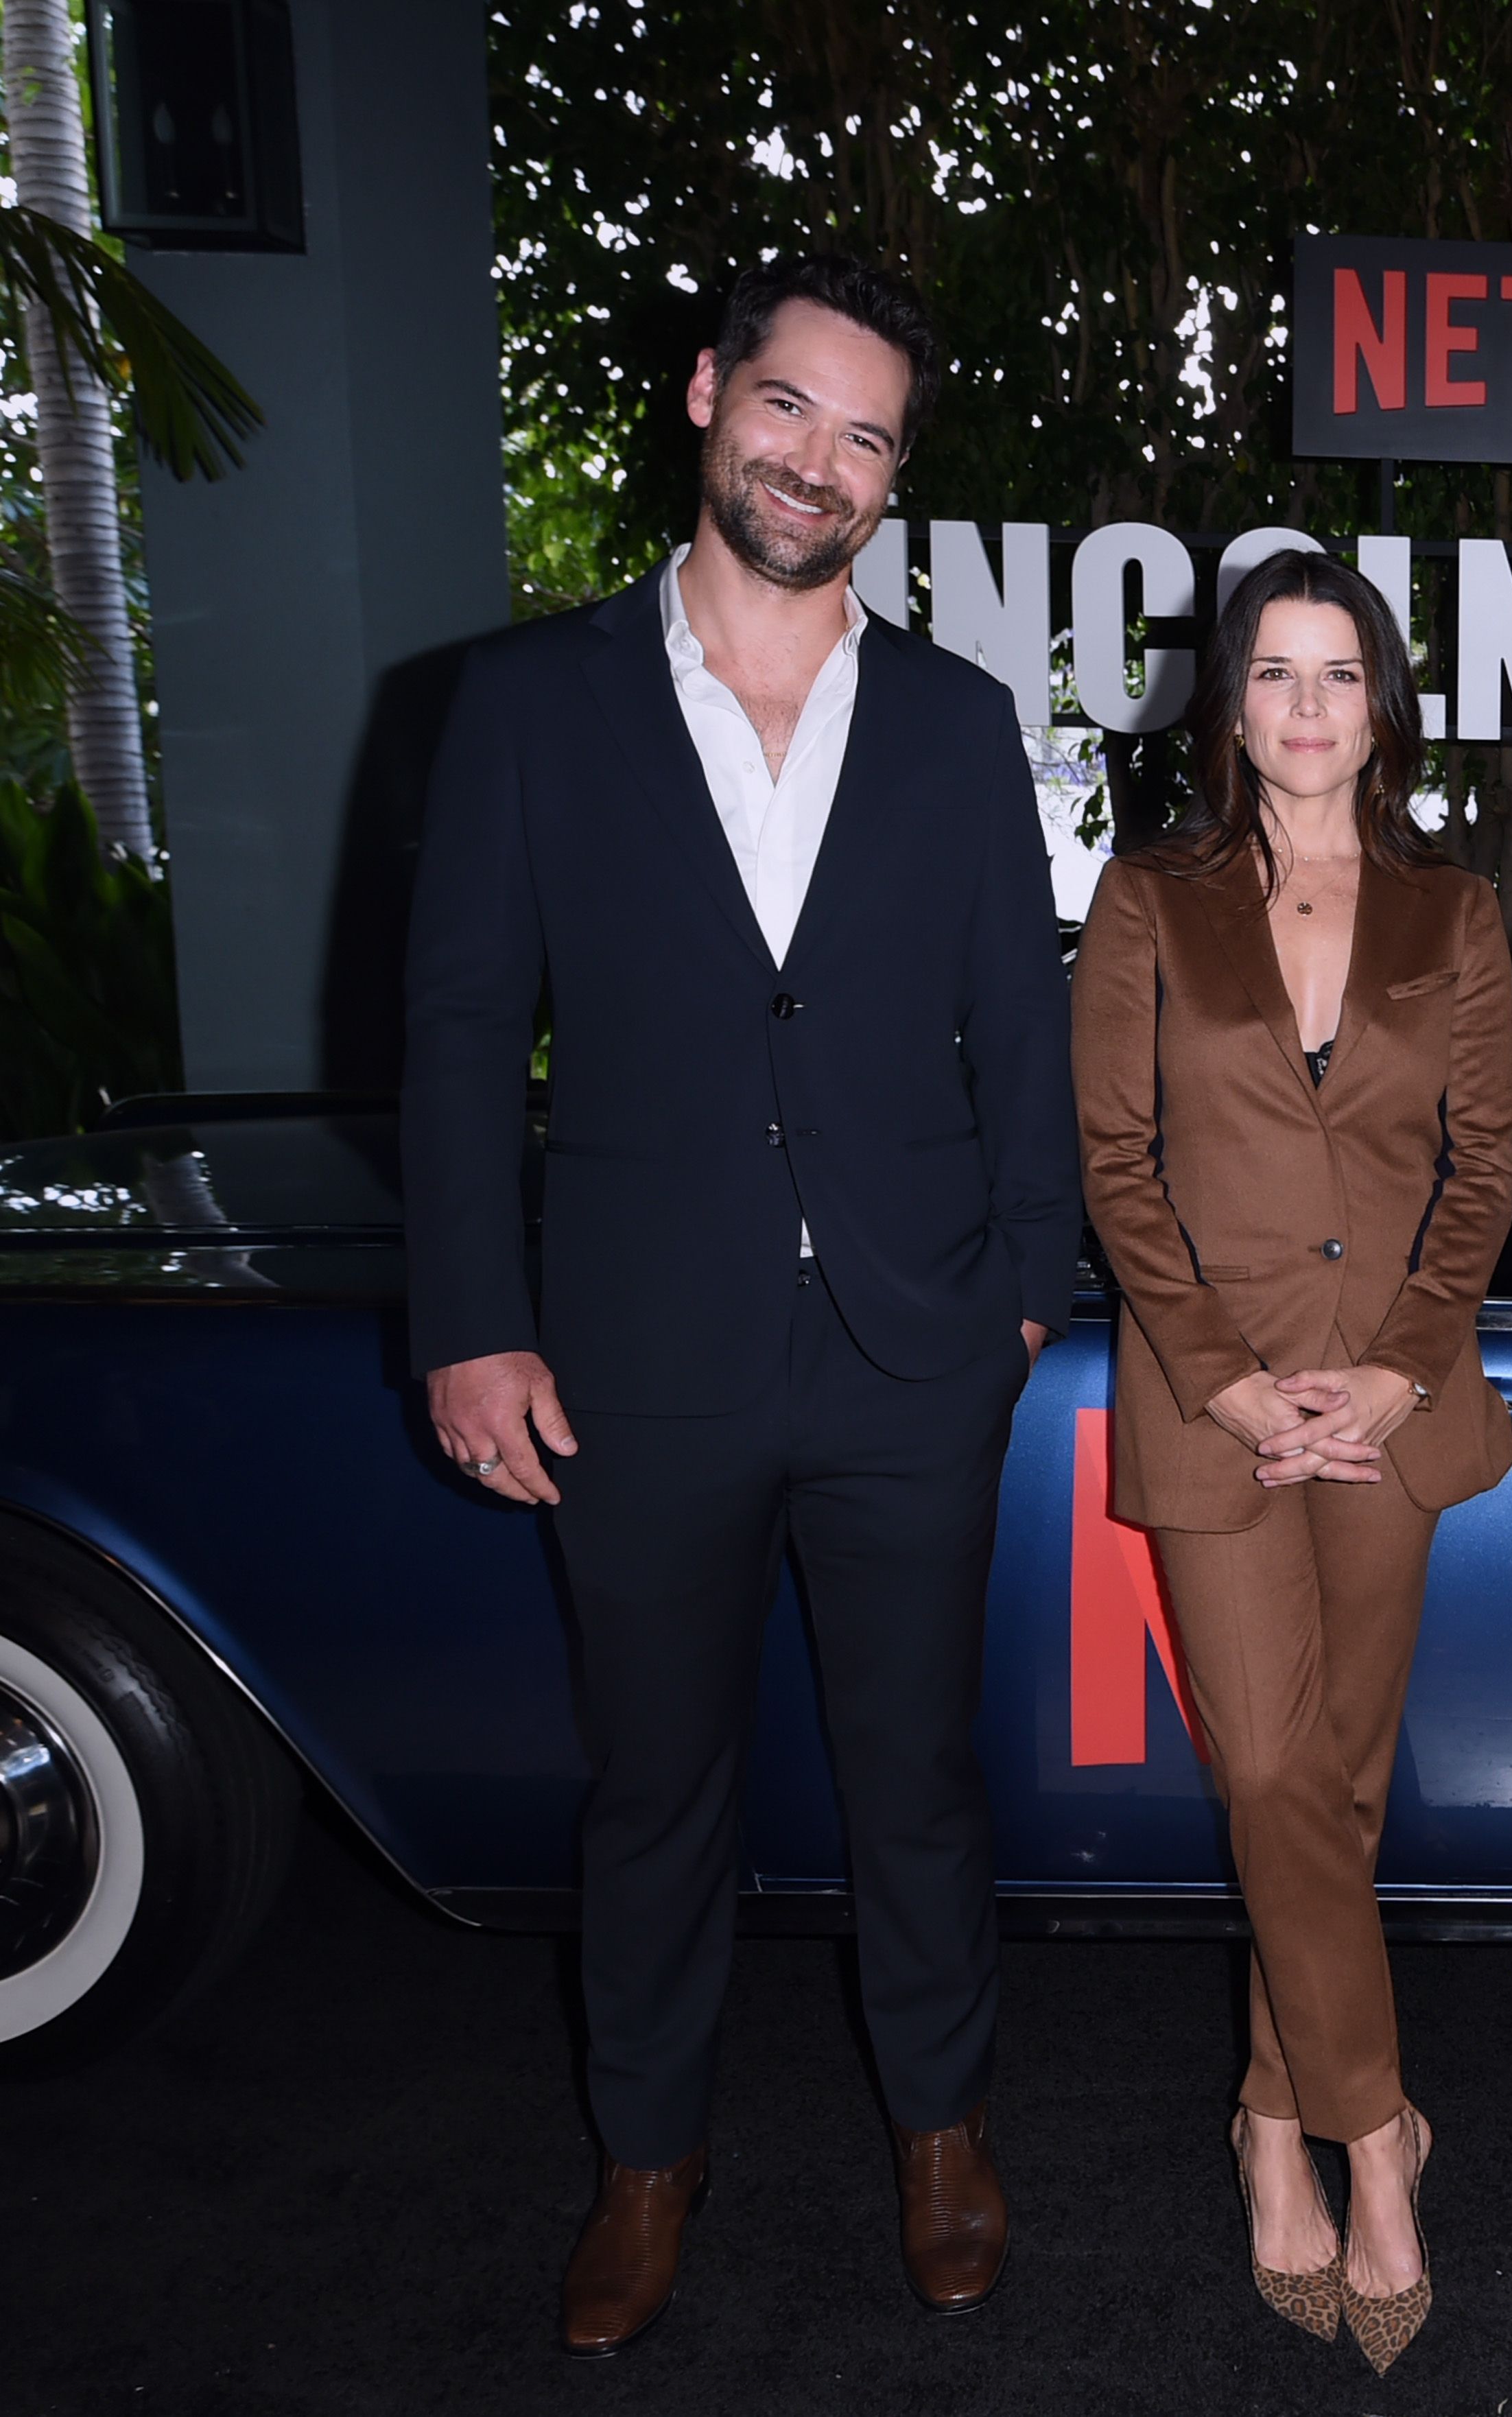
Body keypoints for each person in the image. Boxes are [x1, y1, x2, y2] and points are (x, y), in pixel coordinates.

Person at [404, 255, 1077, 2354]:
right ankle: (644, 2158)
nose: (820, 462)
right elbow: (452, 1032)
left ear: (893, 481)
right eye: (792, 410)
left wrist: (1023, 1302)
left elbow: (1020, 1034)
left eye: (867, 437)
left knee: (918, 1782)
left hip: (910, 1356)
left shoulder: (962, 728)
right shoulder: (523, 703)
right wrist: (470, 1317)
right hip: (638, 1358)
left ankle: (945, 2129)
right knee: (655, 1789)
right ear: (711, 397)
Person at [1070, 547, 1512, 2377]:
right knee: (1265, 1764)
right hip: (1217, 1400)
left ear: (1381, 704)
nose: (1311, 706)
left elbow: (1482, 1164)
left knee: (1335, 1790)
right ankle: (1369, 2138)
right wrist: (1234, 1378)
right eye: (1277, 673)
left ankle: (1275, 2117)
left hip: (1389, 1413)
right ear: (1229, 701)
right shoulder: (1148, 896)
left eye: (1343, 674)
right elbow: (1118, 1162)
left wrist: (1406, 1371)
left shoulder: (1458, 911)